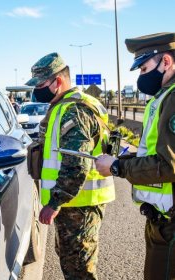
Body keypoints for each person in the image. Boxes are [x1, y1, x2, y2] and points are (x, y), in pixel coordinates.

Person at [26, 52, 115, 279]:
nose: (38, 90)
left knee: (79, 268)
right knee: (71, 260)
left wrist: (54, 202)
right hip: (74, 202)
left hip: (80, 203)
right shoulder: (63, 106)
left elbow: (76, 163)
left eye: (42, 84)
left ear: (58, 81)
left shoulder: (75, 110)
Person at [95, 32, 175, 279]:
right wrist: (121, 160)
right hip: (162, 218)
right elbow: (154, 153)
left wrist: (118, 168)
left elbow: (169, 166)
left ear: (166, 62)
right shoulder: (161, 98)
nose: (141, 76)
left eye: (144, 68)